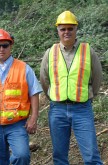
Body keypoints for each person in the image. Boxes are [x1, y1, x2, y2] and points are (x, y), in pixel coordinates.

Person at [40, 10, 103, 164]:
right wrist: (54, 96)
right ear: (58, 31)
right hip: (57, 109)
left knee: (91, 156)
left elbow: (97, 78)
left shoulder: (88, 51)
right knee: (59, 157)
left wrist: (88, 95)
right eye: (63, 29)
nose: (66, 32)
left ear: (76, 29)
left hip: (82, 109)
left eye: (70, 28)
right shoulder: (50, 53)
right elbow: (44, 80)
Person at [0, 29, 42, 165]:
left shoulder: (24, 68)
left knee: (22, 155)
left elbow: (34, 93)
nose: (1, 49)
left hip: (17, 125)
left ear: (11, 45)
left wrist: (33, 118)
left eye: (5, 45)